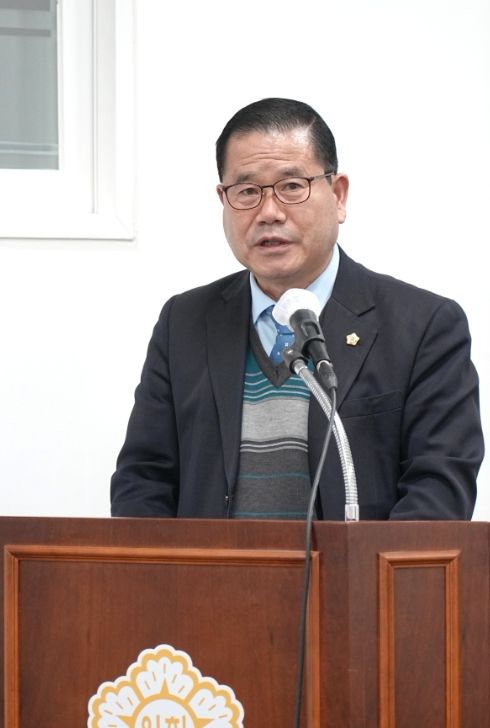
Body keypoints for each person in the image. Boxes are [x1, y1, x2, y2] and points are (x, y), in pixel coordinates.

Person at [110, 97, 484, 521]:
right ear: (223, 200)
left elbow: (438, 492)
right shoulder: (184, 322)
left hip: (357, 568)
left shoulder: (424, 327)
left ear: (338, 196)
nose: (268, 213)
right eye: (247, 191)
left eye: (291, 186)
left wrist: (358, 567)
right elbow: (144, 480)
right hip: (210, 568)